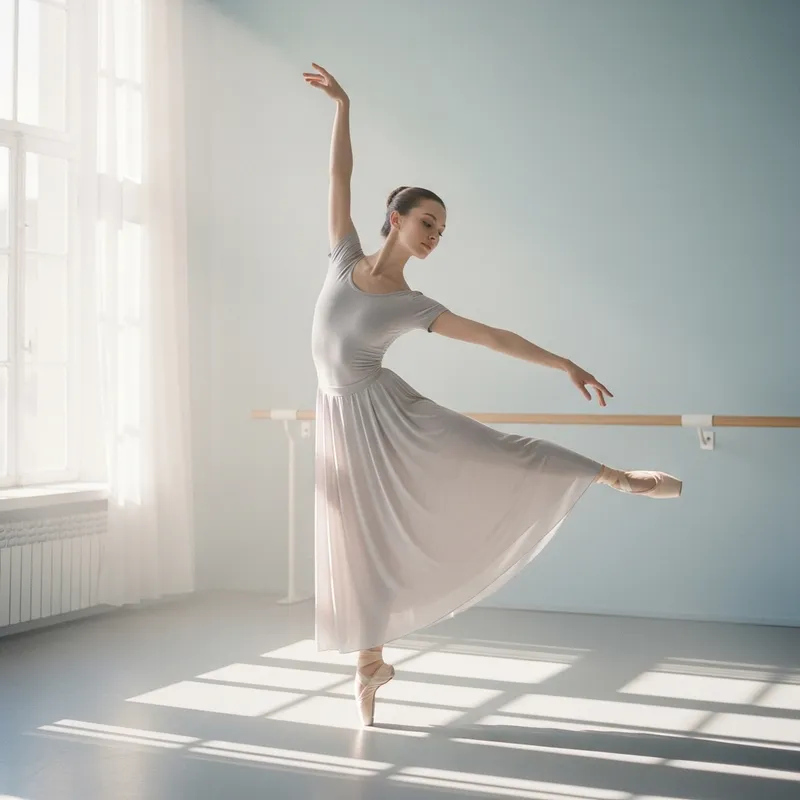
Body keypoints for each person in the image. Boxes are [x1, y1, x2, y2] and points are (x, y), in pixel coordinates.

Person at [303, 63, 681, 726]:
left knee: (502, 451)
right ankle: (370, 664)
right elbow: (339, 177)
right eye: (427, 221)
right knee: (357, 539)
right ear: (394, 219)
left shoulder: (413, 303)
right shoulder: (343, 256)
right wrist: (344, 105)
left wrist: (564, 362)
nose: (435, 235)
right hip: (338, 418)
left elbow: (492, 338)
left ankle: (620, 478)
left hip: (388, 414)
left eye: (442, 229)